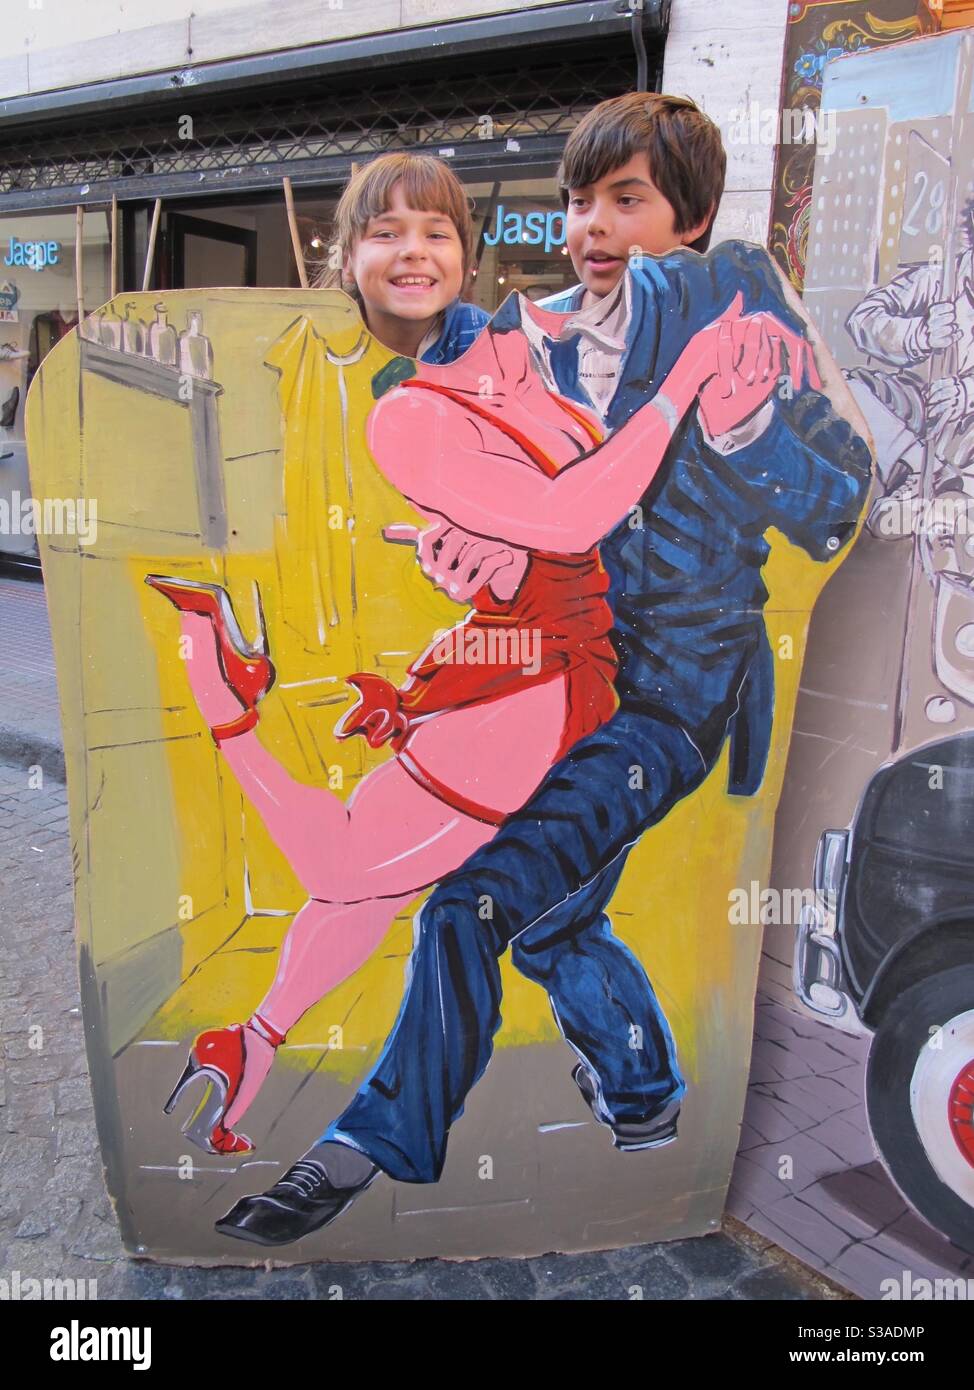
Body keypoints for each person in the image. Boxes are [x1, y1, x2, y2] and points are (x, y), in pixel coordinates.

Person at [215, 94, 875, 1248]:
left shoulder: (739, 309)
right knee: (552, 921)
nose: (592, 227)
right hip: (550, 685)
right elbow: (499, 487)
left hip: (665, 698)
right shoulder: (517, 336)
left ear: (690, 217)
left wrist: (740, 430)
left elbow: (830, 508)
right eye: (577, 201)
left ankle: (365, 1145)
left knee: (468, 905)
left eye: (626, 200)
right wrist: (476, 553)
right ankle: (643, 1097)